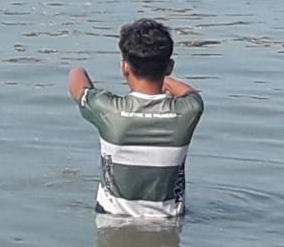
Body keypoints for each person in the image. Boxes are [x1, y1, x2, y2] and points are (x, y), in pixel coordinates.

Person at [68, 19, 204, 218]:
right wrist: (160, 76)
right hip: (169, 221)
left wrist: (76, 68)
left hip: (110, 220)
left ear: (124, 67)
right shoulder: (189, 110)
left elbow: (77, 83)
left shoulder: (108, 109)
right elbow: (189, 93)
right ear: (169, 67)